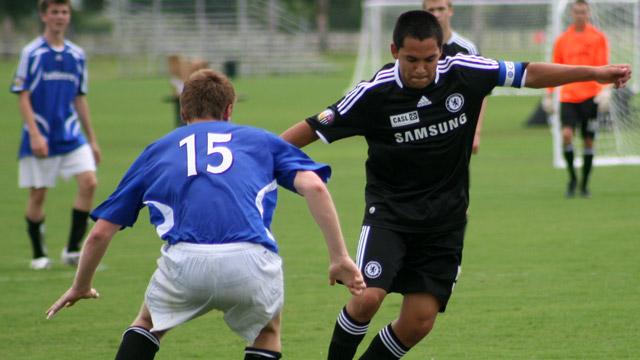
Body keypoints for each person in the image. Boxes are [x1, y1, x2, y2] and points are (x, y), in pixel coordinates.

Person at [280, 10, 630, 359]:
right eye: (411, 59)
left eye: (429, 59)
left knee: (419, 321)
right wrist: (254, 155)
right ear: (393, 51)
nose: (420, 68)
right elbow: (313, 127)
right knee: (368, 298)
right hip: (390, 215)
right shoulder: (374, 93)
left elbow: (529, 72)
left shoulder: (465, 72)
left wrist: (596, 73)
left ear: (442, 53)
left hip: (445, 221)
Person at [46, 69, 366, 360]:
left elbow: (101, 232)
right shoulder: (259, 140)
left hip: (185, 262)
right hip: (250, 259)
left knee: (148, 323)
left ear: (183, 112)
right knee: (266, 334)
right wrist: (338, 257)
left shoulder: (157, 150)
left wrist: (81, 285)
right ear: (229, 110)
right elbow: (315, 187)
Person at [10, 0, 100, 270]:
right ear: (44, 16)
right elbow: (22, 95)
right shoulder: (33, 53)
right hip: (42, 136)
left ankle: (72, 250)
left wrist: (92, 138)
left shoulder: (77, 55)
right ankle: (39, 254)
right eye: (55, 12)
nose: (60, 17)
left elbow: (80, 99)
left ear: (69, 16)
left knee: (89, 183)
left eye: (64, 12)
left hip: (71, 135)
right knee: (38, 195)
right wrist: (35, 134)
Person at [543, 0, 610, 198]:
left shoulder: (598, 38)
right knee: (566, 135)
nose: (580, 15)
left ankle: (584, 184)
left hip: (591, 97)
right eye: (577, 12)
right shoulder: (563, 40)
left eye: (584, 12)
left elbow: (603, 66)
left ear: (588, 13)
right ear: (572, 14)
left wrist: (605, 91)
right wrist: (549, 94)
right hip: (569, 96)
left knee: (588, 141)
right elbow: (554, 69)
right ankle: (572, 178)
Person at [423, 0, 485, 154]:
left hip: (457, 130)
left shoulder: (466, 49)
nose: (436, 14)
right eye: (431, 10)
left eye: (440, 9)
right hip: (422, 130)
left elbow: (481, 91)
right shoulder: (417, 49)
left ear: (450, 10)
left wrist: (476, 131)